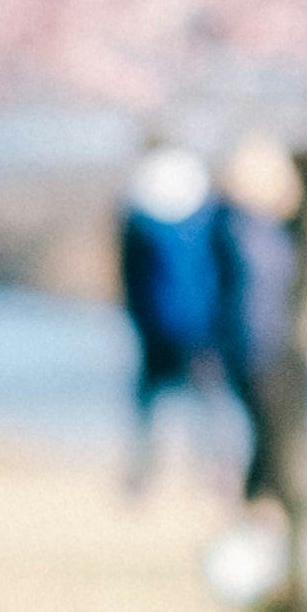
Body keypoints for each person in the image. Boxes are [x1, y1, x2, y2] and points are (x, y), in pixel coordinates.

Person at [116, 144, 226, 494]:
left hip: (157, 325)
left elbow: (130, 277)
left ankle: (143, 476)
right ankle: (213, 473)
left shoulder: (139, 218)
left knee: (153, 404)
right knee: (206, 403)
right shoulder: (204, 213)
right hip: (199, 324)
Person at [209, 137, 302, 496]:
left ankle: (258, 517)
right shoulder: (239, 230)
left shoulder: (253, 228)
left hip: (261, 347)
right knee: (258, 447)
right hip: (250, 349)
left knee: (264, 449)